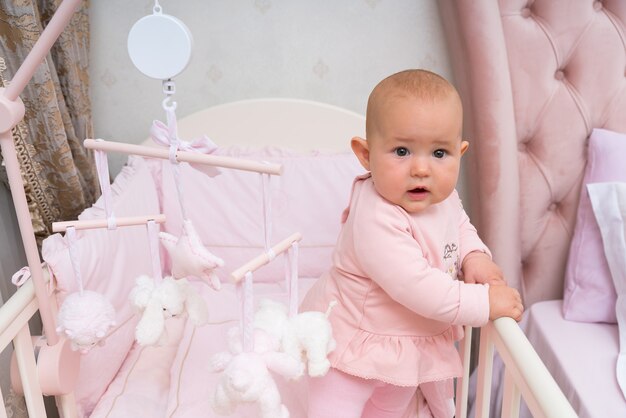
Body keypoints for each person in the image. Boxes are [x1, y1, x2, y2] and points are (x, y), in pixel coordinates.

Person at [300, 69, 524, 418]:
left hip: (405, 341)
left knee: (391, 404)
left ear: (459, 154)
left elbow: (459, 226)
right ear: (365, 154)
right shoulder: (375, 218)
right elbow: (420, 287)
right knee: (335, 404)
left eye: (439, 154)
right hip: (354, 340)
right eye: (402, 151)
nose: (422, 169)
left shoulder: (442, 199)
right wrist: (483, 302)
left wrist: (475, 256)